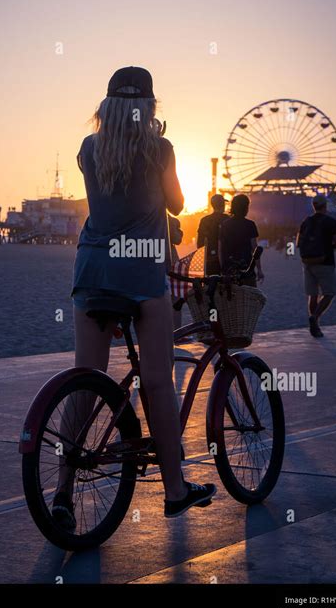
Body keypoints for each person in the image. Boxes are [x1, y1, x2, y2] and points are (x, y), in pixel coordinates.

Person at [53, 66, 216, 525]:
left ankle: (63, 491)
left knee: (85, 381)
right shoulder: (160, 149)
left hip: (92, 270)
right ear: (148, 107)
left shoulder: (88, 149)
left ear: (106, 106)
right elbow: (179, 203)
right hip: (142, 276)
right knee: (159, 382)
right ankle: (175, 489)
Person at [296, 194, 336, 338]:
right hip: (325, 262)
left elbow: (298, 243)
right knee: (329, 292)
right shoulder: (331, 222)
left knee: (312, 294)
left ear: (313, 206)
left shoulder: (306, 221)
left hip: (307, 262)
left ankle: (315, 326)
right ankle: (315, 318)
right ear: (325, 206)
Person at [219, 194, 264, 285]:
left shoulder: (224, 225)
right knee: (249, 295)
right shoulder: (250, 225)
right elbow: (255, 250)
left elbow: (220, 249)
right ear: (245, 208)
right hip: (247, 268)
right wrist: (259, 269)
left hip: (229, 269)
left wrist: (222, 268)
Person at [197, 194, 229, 275]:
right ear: (223, 205)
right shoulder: (228, 219)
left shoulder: (205, 220)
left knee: (211, 284)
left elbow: (200, 243)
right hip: (227, 259)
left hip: (210, 259)